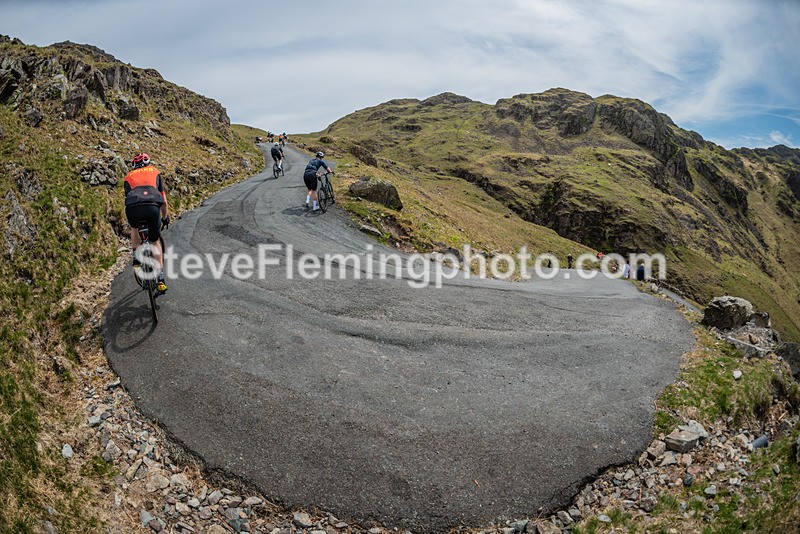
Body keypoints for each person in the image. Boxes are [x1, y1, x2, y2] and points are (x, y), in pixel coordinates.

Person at [124, 152, 170, 292]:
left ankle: (136, 255)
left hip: (133, 207)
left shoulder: (128, 176)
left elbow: (128, 196)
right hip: (152, 207)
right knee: (155, 242)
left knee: (134, 227)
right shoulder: (154, 171)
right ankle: (160, 279)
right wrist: (165, 217)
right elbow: (163, 201)